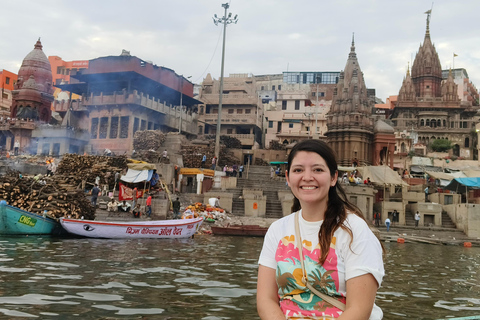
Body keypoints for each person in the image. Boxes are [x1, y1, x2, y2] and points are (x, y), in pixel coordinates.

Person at [257, 140, 384, 319]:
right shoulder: (277, 230)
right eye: (298, 170)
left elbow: (359, 310)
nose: (307, 177)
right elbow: (265, 300)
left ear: (333, 177)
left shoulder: (354, 230)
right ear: (287, 177)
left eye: (317, 169)